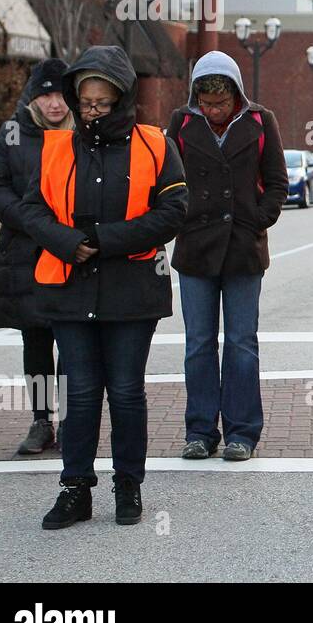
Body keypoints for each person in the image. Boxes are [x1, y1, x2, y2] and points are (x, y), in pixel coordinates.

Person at [19, 46, 187, 529]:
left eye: (102, 103)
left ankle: (128, 485)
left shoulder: (156, 145)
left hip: (132, 291)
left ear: (122, 100)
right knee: (81, 392)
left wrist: (104, 240)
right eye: (85, 102)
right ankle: (74, 490)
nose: (91, 111)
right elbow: (32, 210)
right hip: (70, 287)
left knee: (127, 391)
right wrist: (69, 242)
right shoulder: (56, 147)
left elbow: (173, 212)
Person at [167, 51, 288, 462]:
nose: (214, 110)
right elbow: (169, 180)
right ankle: (200, 430)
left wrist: (259, 218)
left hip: (243, 247)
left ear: (236, 95)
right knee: (198, 344)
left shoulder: (261, 120)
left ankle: (242, 432)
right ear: (196, 97)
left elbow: (276, 181)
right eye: (206, 103)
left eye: (221, 103)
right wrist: (181, 216)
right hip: (196, 248)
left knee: (241, 342)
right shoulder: (181, 123)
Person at [0, 58, 73, 454]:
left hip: (71, 252)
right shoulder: (15, 132)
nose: (55, 104)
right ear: (34, 96)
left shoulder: (83, 132)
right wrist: (30, 221)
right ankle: (41, 421)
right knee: (35, 340)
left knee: (73, 342)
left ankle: (73, 419)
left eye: (60, 95)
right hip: (25, 252)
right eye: (46, 94)